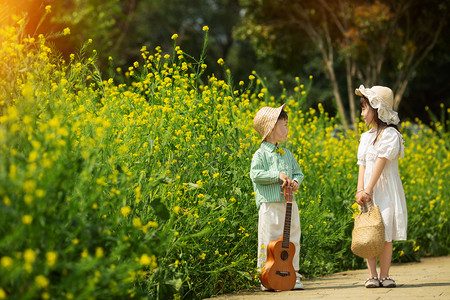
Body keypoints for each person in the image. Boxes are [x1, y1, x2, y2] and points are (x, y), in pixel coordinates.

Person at [355, 85, 407, 288]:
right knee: (369, 231)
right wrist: (361, 190)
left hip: (383, 189)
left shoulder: (390, 135)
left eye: (364, 108)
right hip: (368, 190)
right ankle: (371, 275)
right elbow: (363, 164)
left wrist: (369, 189)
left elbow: (381, 162)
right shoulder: (366, 137)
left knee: (384, 230)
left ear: (377, 109)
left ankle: (385, 275)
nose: (362, 113)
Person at [250, 104, 304, 291]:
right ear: (272, 128)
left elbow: (298, 173)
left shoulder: (287, 154)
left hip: (289, 204)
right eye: (285, 125)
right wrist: (277, 175)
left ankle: (293, 274)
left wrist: (296, 182)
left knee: (292, 239)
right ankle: (266, 276)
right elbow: (256, 175)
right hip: (270, 205)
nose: (288, 129)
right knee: (269, 239)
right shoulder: (260, 154)